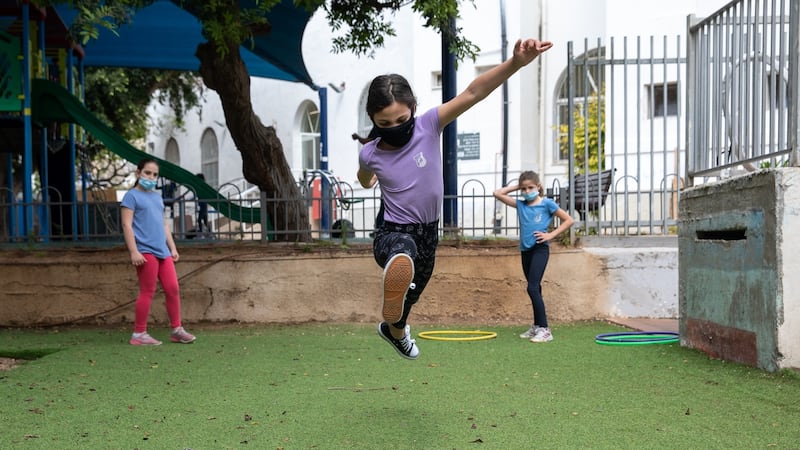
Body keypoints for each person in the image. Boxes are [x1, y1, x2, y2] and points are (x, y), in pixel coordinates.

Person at [357, 37, 553, 359]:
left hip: (427, 233)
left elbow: (473, 92)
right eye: (384, 124)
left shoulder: (430, 125)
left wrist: (516, 62)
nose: (394, 128)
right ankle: (396, 280)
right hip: (393, 230)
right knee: (402, 257)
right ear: (373, 121)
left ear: (414, 110)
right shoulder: (371, 153)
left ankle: (395, 330)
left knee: (412, 293)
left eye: (401, 120)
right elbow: (364, 177)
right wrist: (370, 177)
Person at [121, 158, 196, 346]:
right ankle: (139, 334)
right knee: (147, 291)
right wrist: (134, 252)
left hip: (163, 251)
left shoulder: (156, 197)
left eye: (155, 175)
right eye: (147, 173)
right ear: (138, 174)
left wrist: (172, 247)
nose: (151, 177)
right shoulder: (131, 196)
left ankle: (177, 330)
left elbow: (163, 223)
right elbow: (126, 225)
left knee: (173, 288)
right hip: (145, 251)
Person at [493, 171, 574, 343]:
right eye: (524, 188)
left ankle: (545, 330)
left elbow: (568, 220)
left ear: (538, 187)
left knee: (532, 287)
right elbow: (497, 193)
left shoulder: (547, 204)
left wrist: (550, 236)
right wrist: (518, 185)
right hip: (526, 250)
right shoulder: (521, 205)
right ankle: (537, 326)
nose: (527, 191)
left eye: (531, 187)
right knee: (535, 289)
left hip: (540, 249)